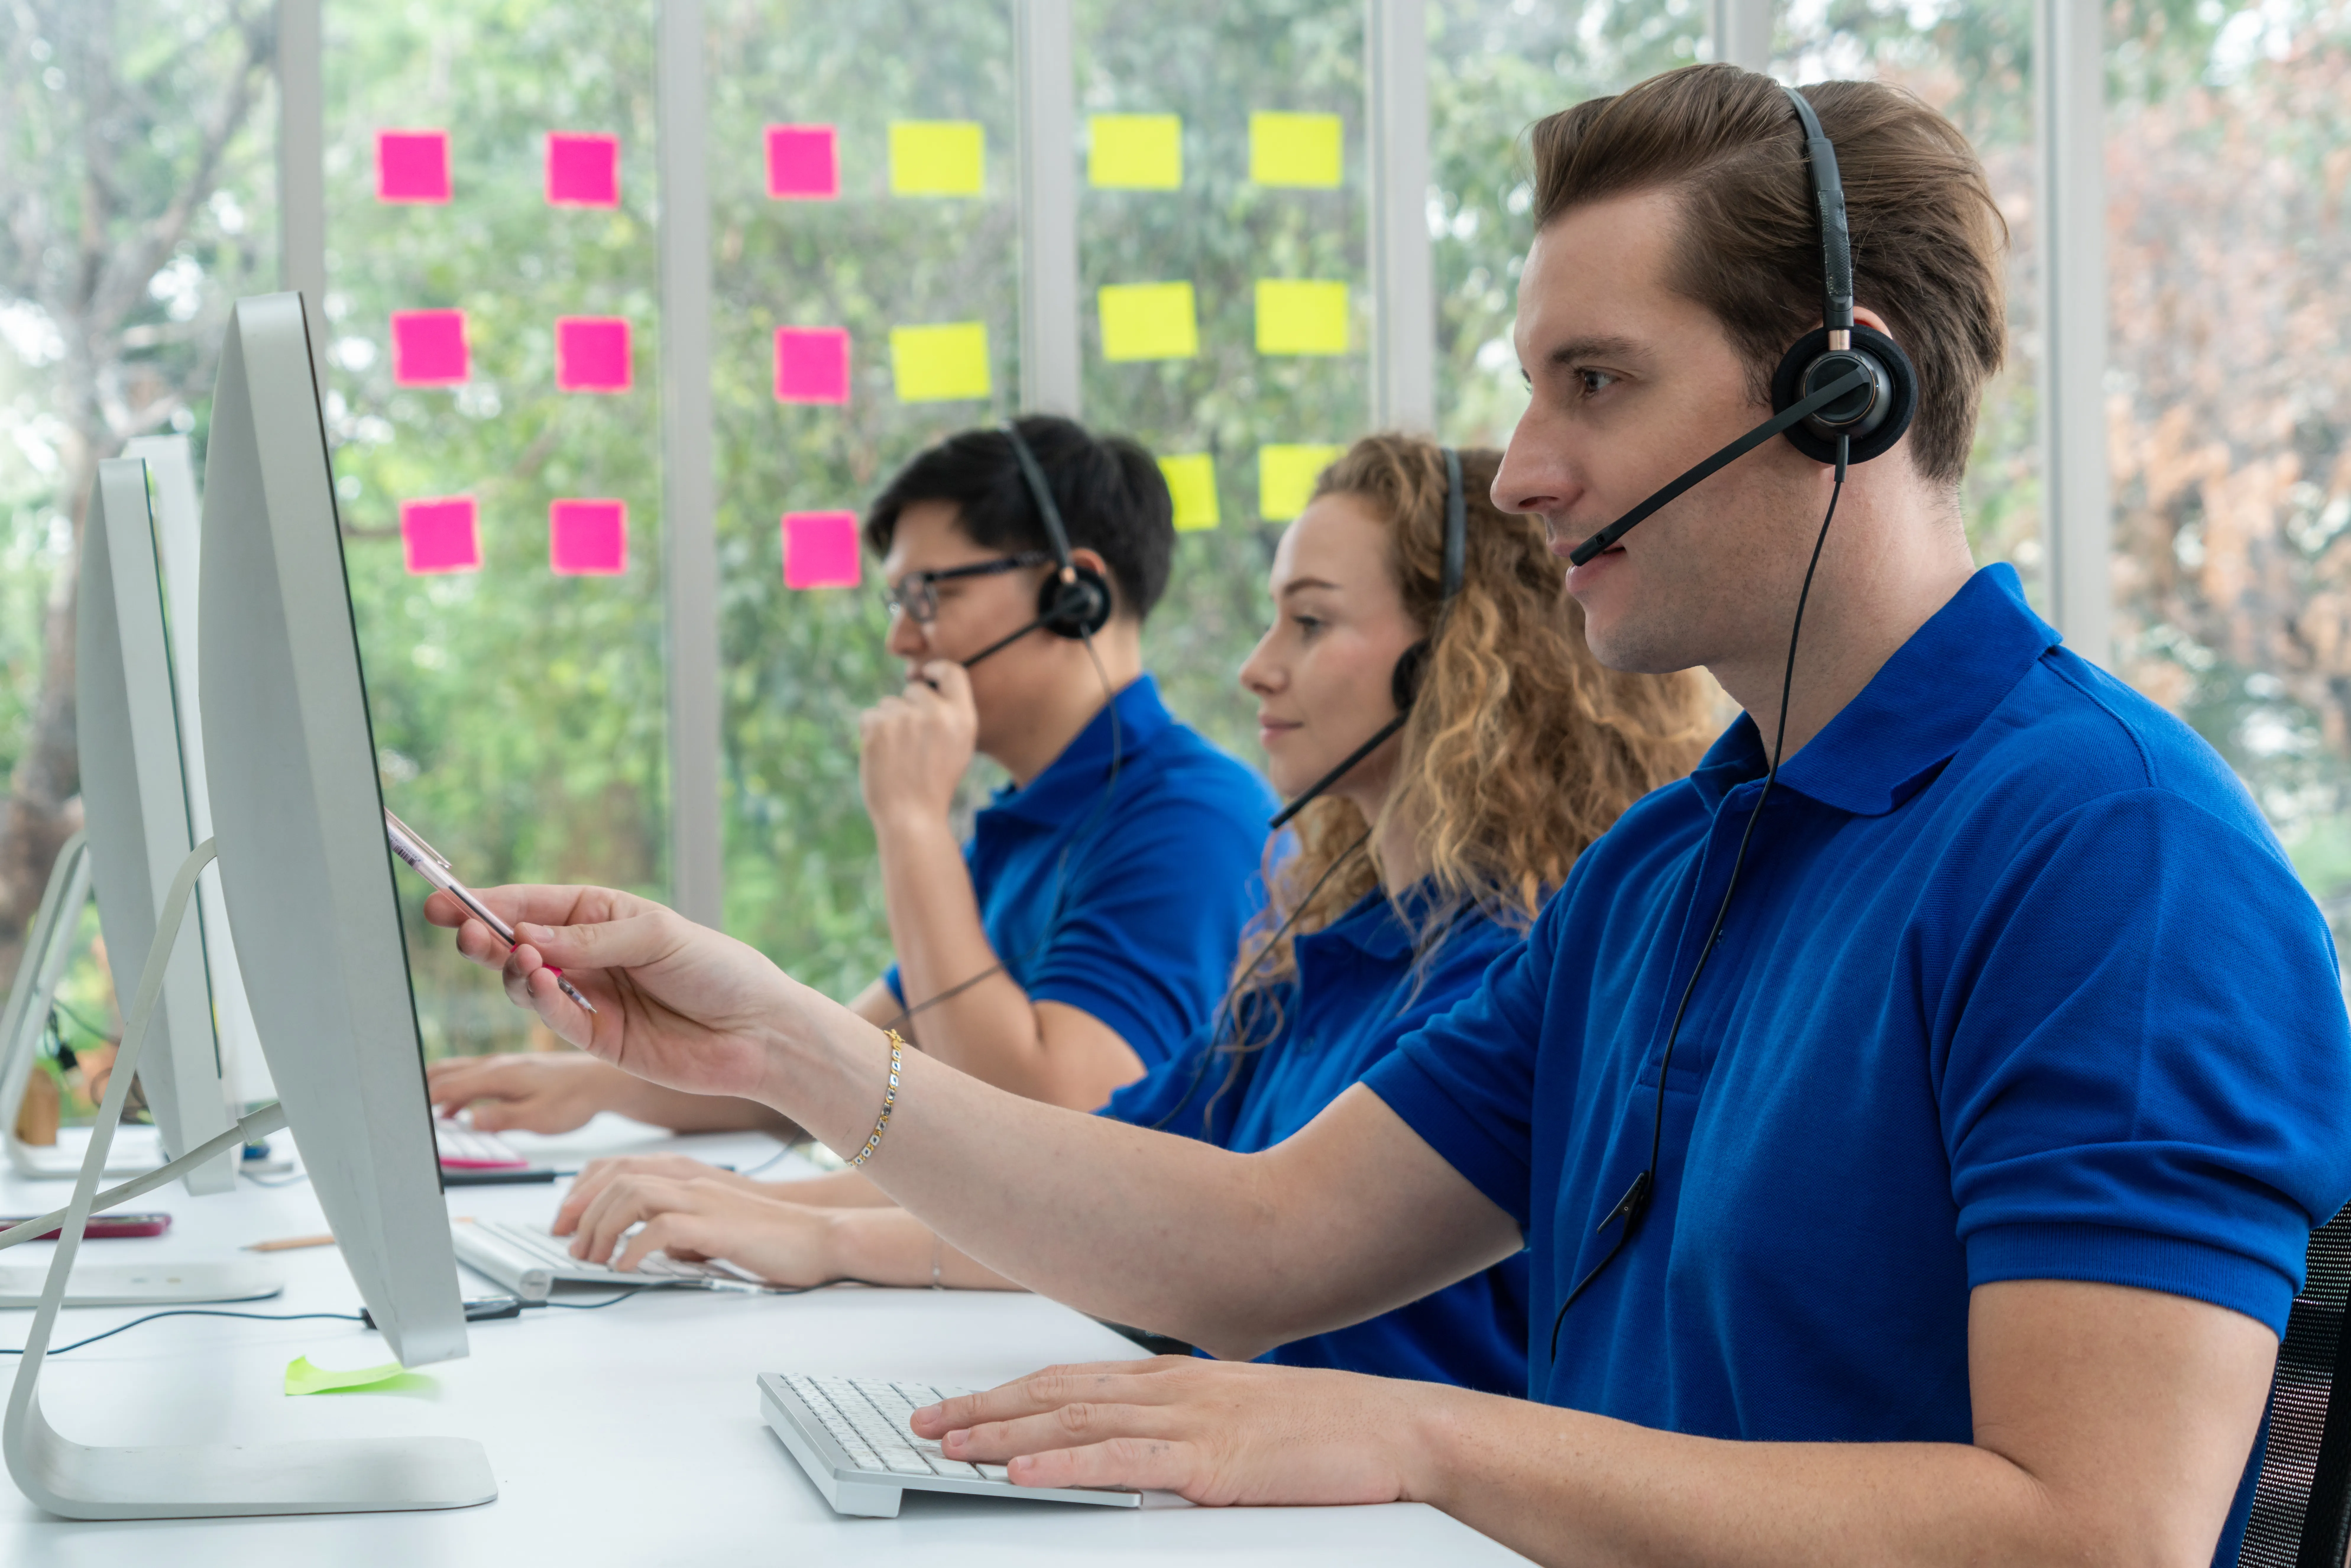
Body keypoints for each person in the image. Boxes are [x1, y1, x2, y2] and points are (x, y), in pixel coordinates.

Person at [429, 66, 2351, 1568]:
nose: (1521, 471)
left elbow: (2093, 1530)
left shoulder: (2110, 857)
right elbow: (1254, 1240)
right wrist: (765, 1030)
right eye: (1531, 385)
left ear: (1842, 390)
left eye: (1594, 383)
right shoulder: (1672, 867)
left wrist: (1421, 1439)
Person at [544, 436, 1711, 1398]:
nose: (1255, 670)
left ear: (1458, 661)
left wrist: (906, 832)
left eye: (1307, 623)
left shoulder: (1489, 962)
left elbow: (1163, 1199)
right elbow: (1106, 1184)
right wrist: (754, 1194)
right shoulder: (1323, 956)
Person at [426, 416, 1276, 1131]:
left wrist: (912, 824)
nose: (900, 642)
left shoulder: (1192, 821)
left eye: (926, 597)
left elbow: (1049, 1127)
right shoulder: (1035, 818)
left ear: (1073, 592)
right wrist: (593, 1086)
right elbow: (840, 1060)